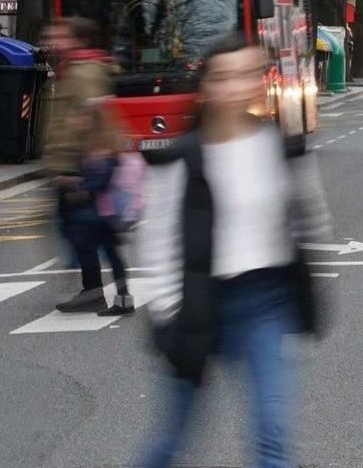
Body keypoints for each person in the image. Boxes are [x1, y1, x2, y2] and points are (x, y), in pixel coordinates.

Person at [138, 34, 331, 468]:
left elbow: (309, 217)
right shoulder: (182, 157)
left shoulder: (279, 145)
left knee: (271, 434)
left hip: (265, 301)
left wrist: (307, 289)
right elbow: (156, 241)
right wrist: (168, 313)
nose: (238, 86)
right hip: (199, 304)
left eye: (248, 74)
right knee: (170, 442)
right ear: (207, 87)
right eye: (224, 77)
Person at [44, 17, 120, 312]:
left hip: (77, 164)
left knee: (85, 230)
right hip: (69, 163)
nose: (52, 40)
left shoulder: (84, 71)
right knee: (79, 229)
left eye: (60, 35)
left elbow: (92, 117)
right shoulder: (74, 69)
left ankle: (97, 290)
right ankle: (97, 288)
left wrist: (79, 167)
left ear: (77, 40)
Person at [66, 101, 134, 315]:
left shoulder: (103, 147)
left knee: (93, 251)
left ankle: (104, 297)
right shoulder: (97, 143)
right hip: (105, 213)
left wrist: (81, 189)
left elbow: (103, 179)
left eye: (84, 117)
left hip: (104, 213)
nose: (79, 121)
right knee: (110, 255)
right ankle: (119, 299)